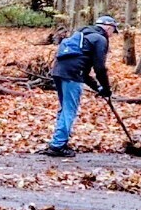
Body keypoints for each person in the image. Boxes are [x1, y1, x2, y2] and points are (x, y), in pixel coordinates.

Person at [42, 15, 117, 158]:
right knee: (69, 109)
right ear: (108, 28)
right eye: (113, 31)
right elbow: (100, 68)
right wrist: (106, 88)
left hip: (58, 71)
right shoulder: (100, 39)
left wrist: (98, 88)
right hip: (72, 74)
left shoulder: (81, 34)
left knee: (64, 108)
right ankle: (58, 146)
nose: (112, 35)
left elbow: (83, 69)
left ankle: (58, 141)